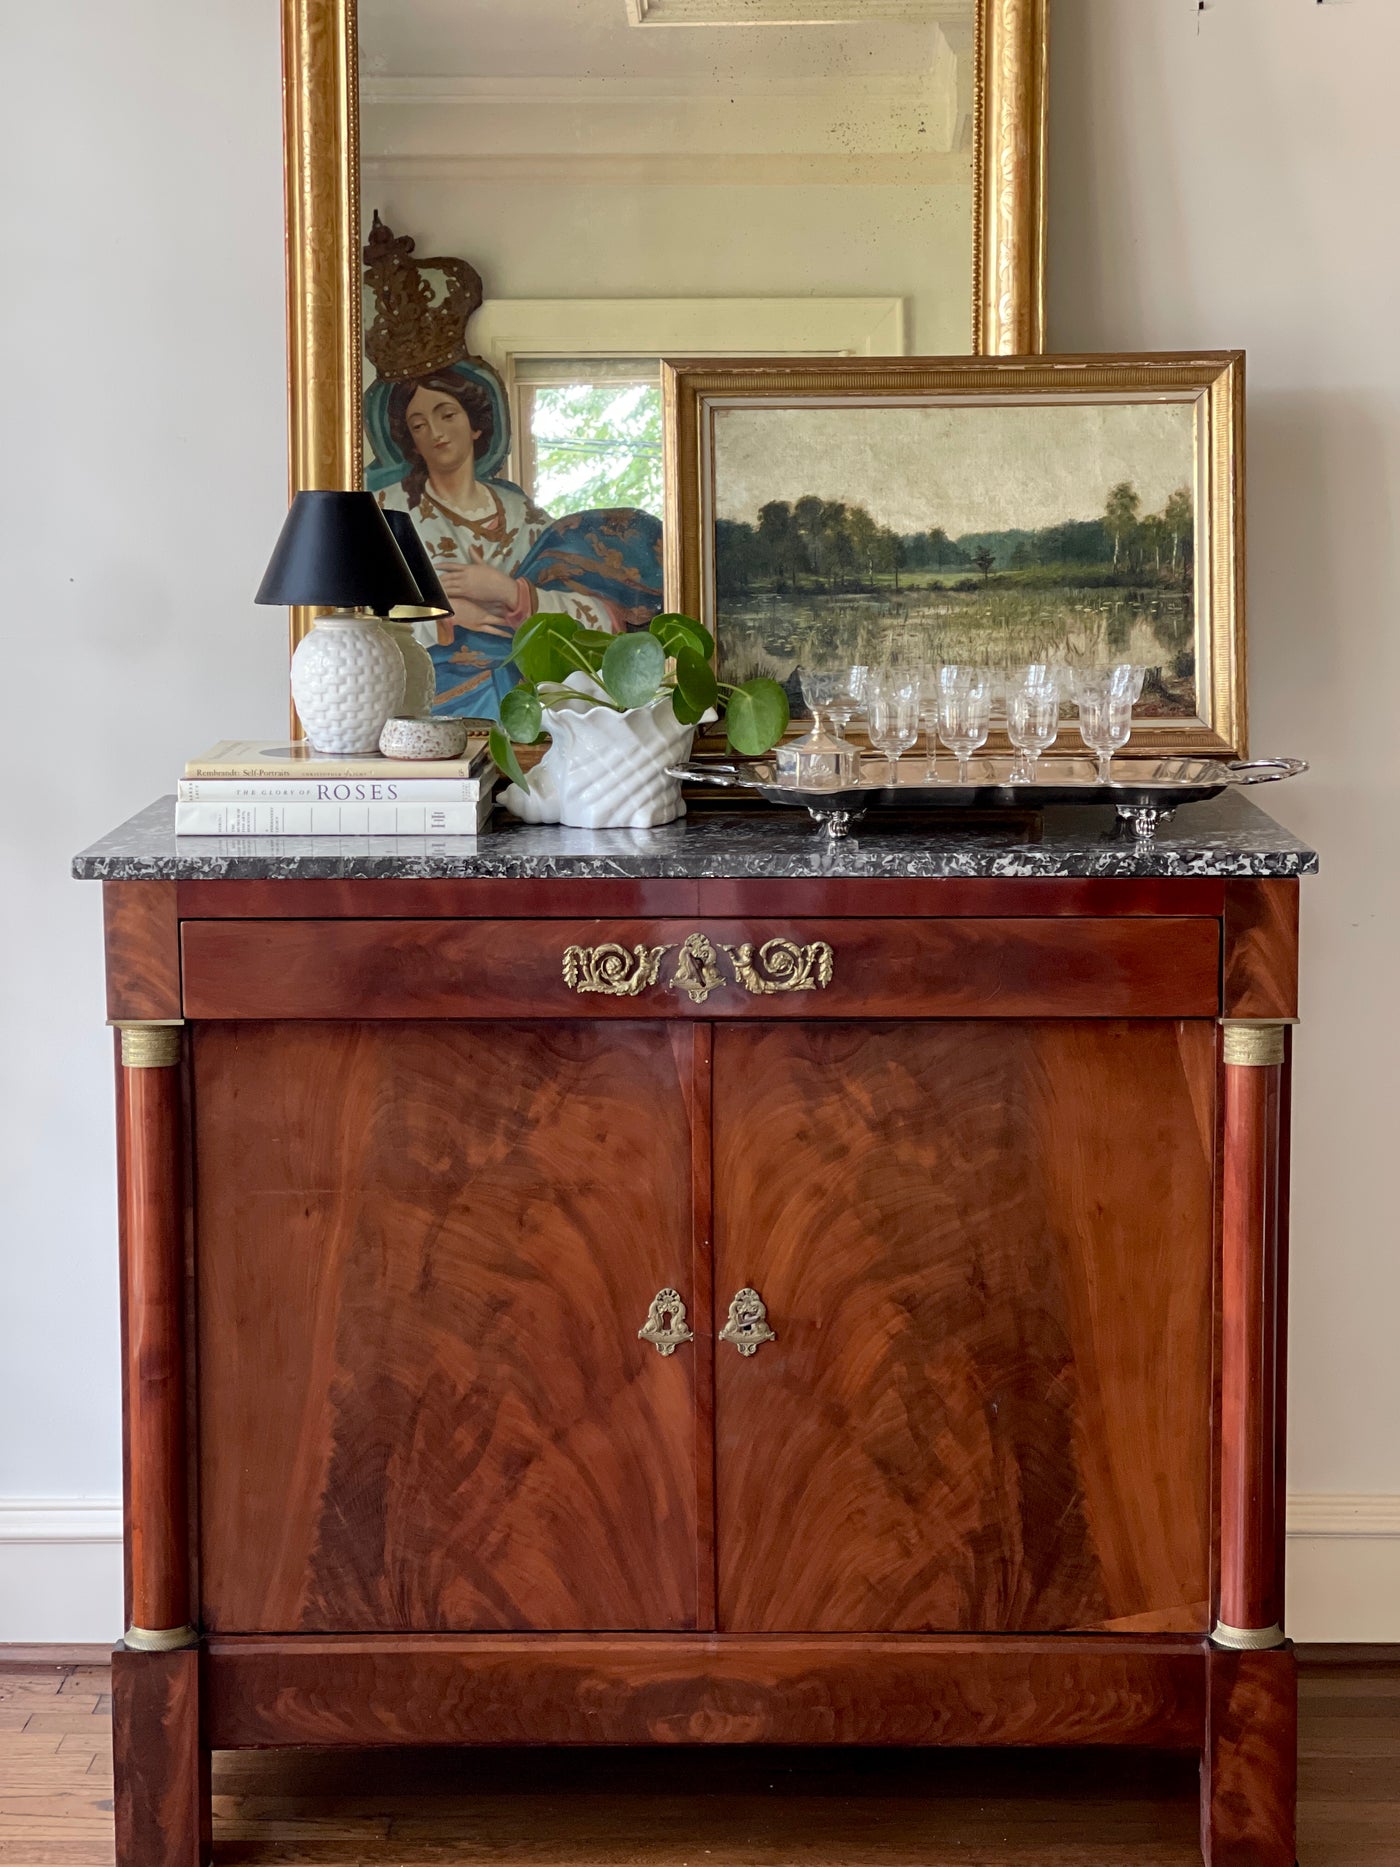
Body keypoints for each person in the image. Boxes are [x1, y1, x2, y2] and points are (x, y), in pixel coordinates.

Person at [373, 365, 663, 719]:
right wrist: (446, 616)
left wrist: (512, 593)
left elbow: (599, 616)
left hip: (531, 694)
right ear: (411, 442)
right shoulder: (388, 509)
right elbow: (361, 615)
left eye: (447, 415)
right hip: (436, 692)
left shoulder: (522, 514)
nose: (435, 432)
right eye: (418, 425)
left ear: (476, 425)